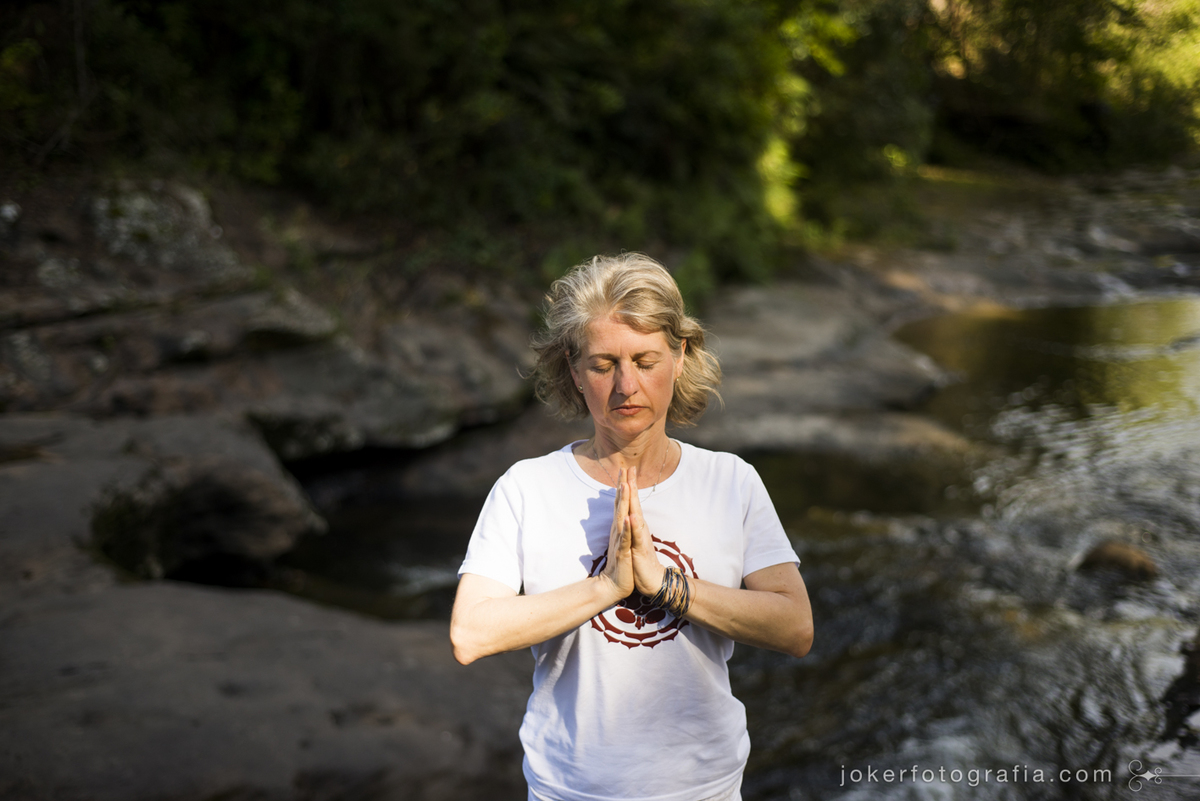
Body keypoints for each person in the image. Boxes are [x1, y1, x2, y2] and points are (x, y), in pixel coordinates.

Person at [450, 253, 813, 801]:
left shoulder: (730, 482)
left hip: (705, 790)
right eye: (602, 365)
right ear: (573, 371)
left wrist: (666, 584)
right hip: (567, 792)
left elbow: (794, 626)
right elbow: (470, 633)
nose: (626, 385)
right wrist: (609, 587)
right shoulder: (527, 488)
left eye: (645, 360)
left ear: (680, 355)